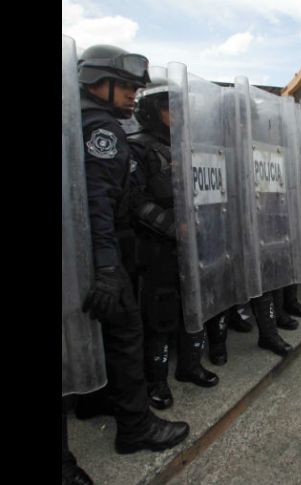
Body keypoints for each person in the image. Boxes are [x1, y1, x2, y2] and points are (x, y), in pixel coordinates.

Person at [76, 44, 189, 453]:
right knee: (126, 335)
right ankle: (136, 427)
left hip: (86, 253)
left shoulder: (82, 122)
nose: (131, 94)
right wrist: (107, 268)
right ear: (94, 82)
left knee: (91, 332)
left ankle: (95, 397)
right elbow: (98, 204)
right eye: (122, 85)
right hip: (104, 252)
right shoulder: (102, 130)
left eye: (134, 87)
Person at [128, 86, 219, 410]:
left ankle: (190, 366)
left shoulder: (187, 147)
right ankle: (156, 381)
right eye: (169, 109)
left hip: (193, 243)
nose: (177, 116)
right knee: (159, 314)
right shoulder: (137, 148)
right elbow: (134, 202)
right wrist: (172, 227)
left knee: (192, 303)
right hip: (156, 247)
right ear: (152, 112)